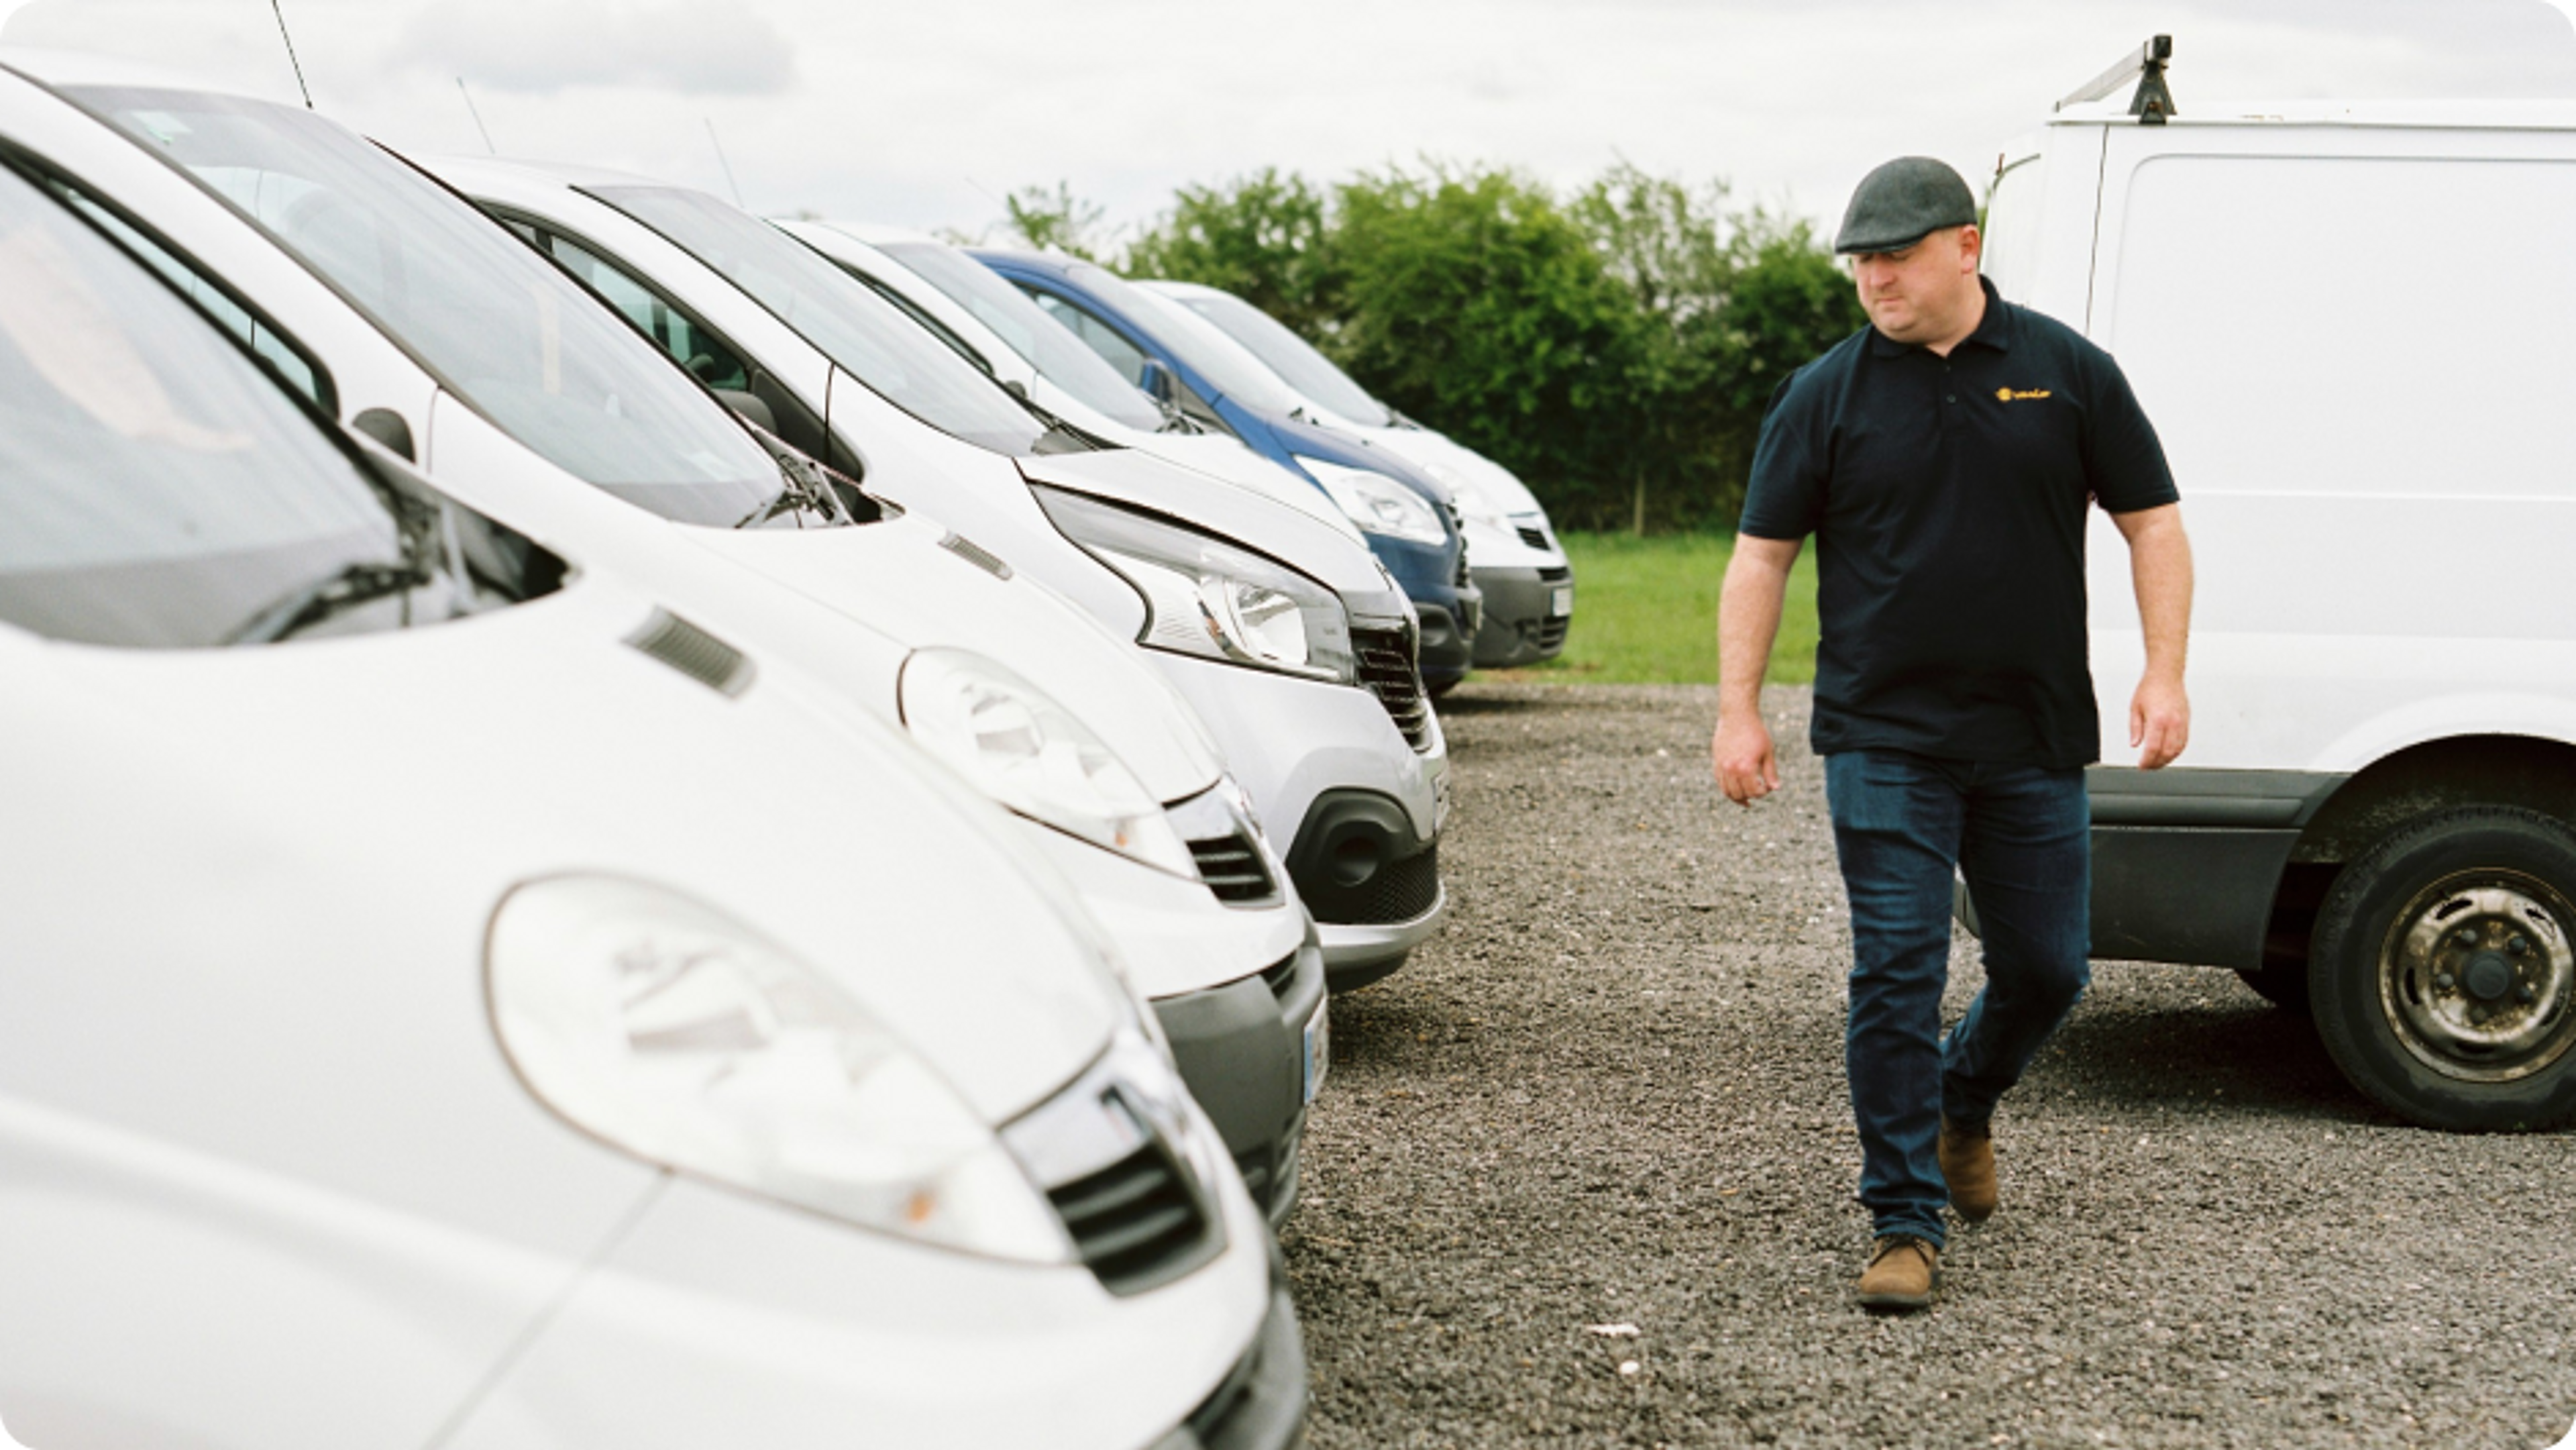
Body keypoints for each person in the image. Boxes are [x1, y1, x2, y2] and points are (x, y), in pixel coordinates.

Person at [1709, 156, 2194, 1314]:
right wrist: (1737, 708)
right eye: (1860, 262)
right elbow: (1761, 556)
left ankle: (1962, 1100)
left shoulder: (2068, 373)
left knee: (2049, 970)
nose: (1874, 279)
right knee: (1897, 968)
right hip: (1883, 734)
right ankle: (1903, 1219)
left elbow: (2154, 524)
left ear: (1965, 247)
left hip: (2032, 733)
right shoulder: (1823, 394)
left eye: (1896, 256)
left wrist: (2164, 671)